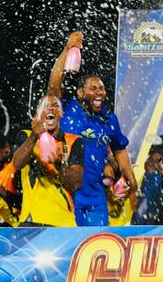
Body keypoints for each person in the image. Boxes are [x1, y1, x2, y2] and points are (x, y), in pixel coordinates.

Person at [48, 33, 138, 227]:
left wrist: (132, 180)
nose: (99, 92)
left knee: (98, 240)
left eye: (102, 88)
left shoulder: (109, 120)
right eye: (93, 88)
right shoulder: (68, 109)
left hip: (96, 196)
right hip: (68, 192)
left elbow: (120, 150)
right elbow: (54, 85)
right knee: (70, 244)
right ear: (81, 93)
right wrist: (67, 49)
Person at [11, 96, 83, 227]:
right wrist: (34, 136)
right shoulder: (27, 136)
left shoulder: (74, 141)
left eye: (55, 105)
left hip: (63, 223)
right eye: (45, 106)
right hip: (31, 222)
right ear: (37, 114)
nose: (50, 108)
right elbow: (17, 164)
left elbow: (76, 184)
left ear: (61, 113)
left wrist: (59, 164)